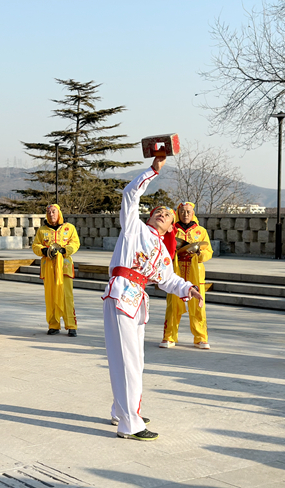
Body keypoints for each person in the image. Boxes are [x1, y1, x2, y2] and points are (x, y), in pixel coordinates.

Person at [102, 156, 203, 441]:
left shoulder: (162, 250)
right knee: (127, 360)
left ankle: (121, 410)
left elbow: (168, 279)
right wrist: (153, 171)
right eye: (159, 211)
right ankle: (130, 423)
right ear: (149, 216)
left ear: (172, 227)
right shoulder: (133, 228)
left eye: (168, 215)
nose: (164, 214)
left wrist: (187, 289)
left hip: (137, 300)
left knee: (135, 359)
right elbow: (130, 194)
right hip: (121, 292)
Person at [161, 202, 213, 349]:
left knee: (198, 305)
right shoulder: (171, 229)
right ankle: (169, 336)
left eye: (188, 212)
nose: (185, 214)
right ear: (178, 213)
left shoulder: (200, 230)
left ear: (193, 213)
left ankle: (201, 338)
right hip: (176, 270)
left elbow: (208, 251)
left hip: (195, 271)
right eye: (182, 212)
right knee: (173, 305)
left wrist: (199, 253)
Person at [32, 204, 80, 336]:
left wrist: (65, 250)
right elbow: (35, 245)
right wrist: (44, 250)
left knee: (67, 297)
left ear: (59, 213)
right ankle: (53, 324)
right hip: (48, 267)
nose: (51, 214)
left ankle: (71, 325)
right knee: (50, 296)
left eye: (53, 212)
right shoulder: (42, 230)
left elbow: (75, 243)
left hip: (64, 268)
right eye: (48, 212)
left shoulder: (69, 228)